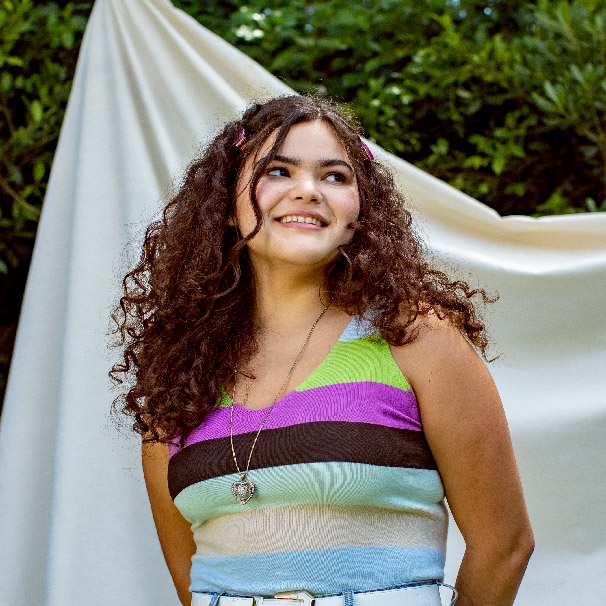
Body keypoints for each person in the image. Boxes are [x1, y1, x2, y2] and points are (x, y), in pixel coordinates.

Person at [111, 95, 534, 606]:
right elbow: (192, 583)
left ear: (361, 213)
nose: (308, 191)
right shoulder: (176, 379)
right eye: (278, 171)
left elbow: (504, 547)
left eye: (335, 176)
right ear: (225, 205)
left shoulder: (415, 337)